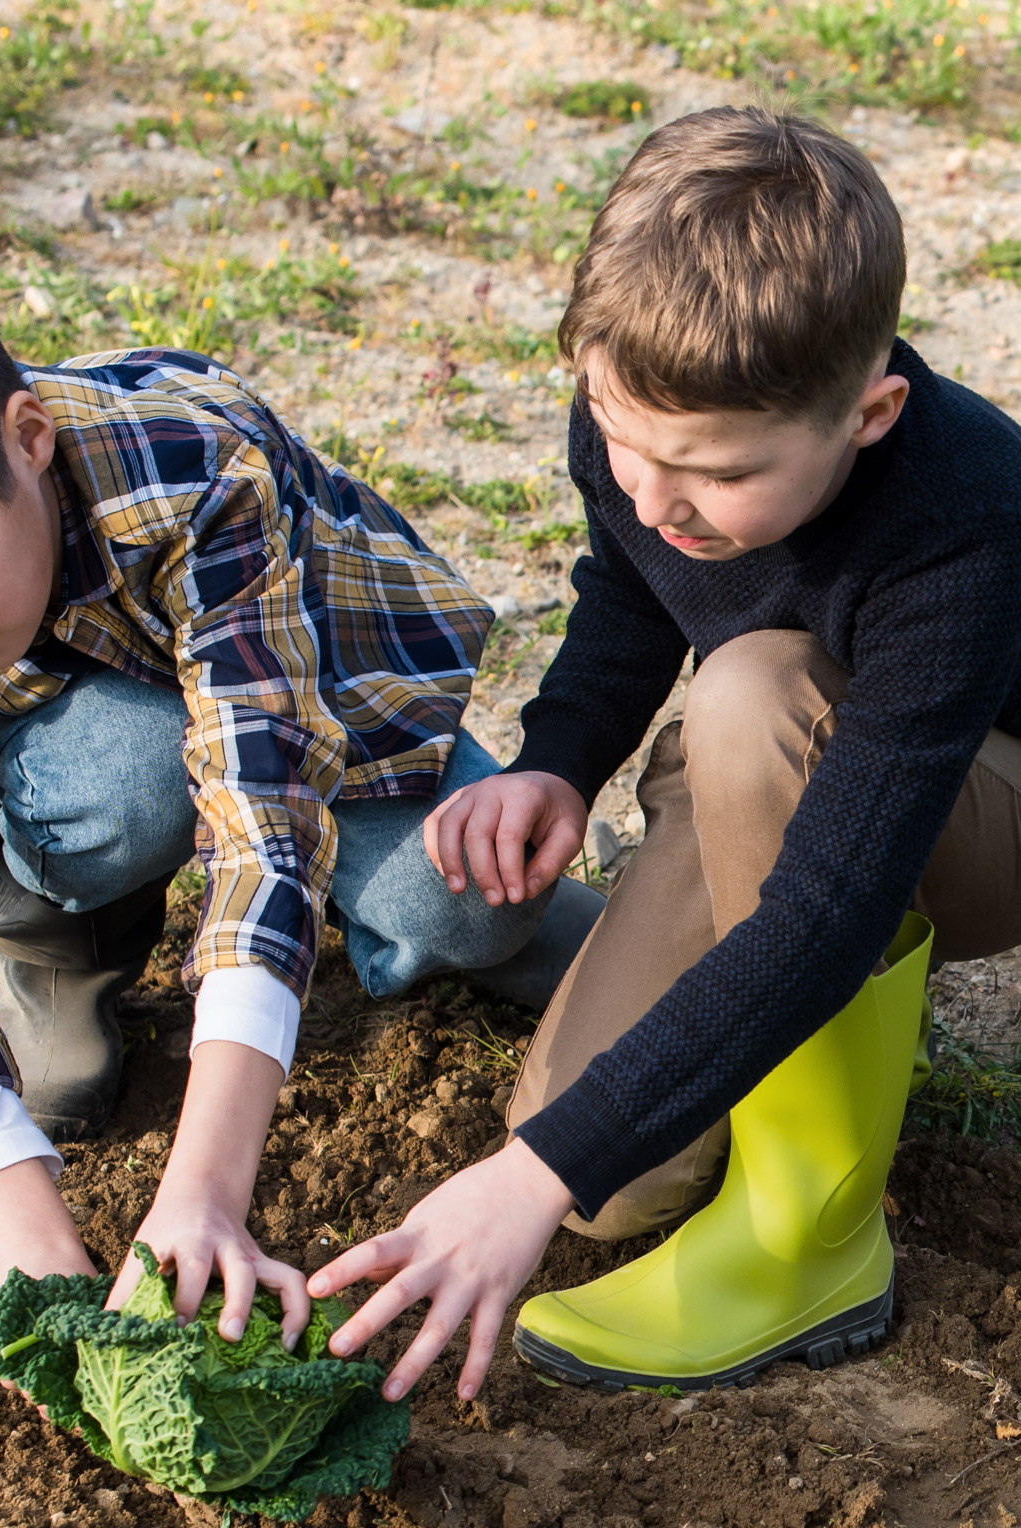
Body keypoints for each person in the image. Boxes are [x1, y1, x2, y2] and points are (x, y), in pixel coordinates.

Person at [0, 258, 602, 1345]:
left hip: (303, 700)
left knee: (463, 903)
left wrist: (206, 1190)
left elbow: (261, 799)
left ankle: (621, 954)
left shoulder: (194, 469)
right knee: (128, 773)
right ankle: (56, 931)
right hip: (74, 750)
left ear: (28, 440)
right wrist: (26, 1235)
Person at [311, 104, 1021, 1400]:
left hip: (974, 806)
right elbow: (632, 586)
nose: (649, 495)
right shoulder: (644, 406)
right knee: (601, 1179)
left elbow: (822, 913)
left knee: (749, 695)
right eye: (619, 441)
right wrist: (557, 761)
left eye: (711, 473)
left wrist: (524, 1183)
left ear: (868, 415)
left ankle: (813, 1240)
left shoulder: (961, 523)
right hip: (793, 768)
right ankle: (791, 1064)